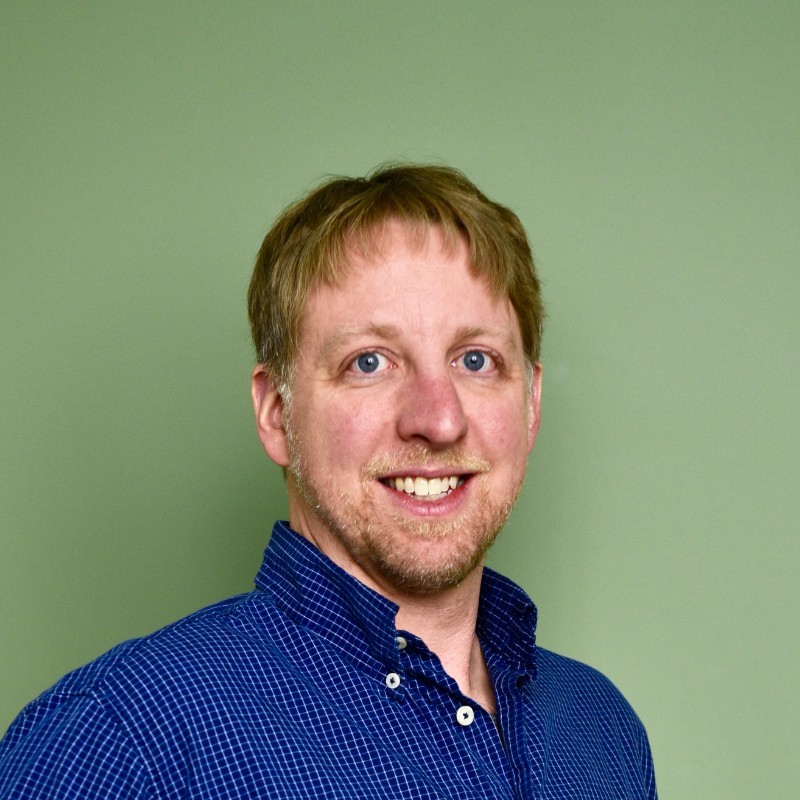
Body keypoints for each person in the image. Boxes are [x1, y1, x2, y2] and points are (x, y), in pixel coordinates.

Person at [0, 164, 657, 798]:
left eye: (476, 360)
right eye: (369, 361)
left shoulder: (601, 730)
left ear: (531, 403)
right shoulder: (126, 740)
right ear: (276, 412)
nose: (439, 418)